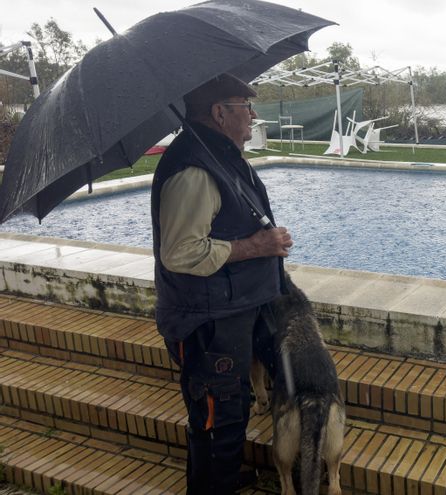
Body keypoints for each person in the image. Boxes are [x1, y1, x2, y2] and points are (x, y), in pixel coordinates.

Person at [149, 73, 293, 494]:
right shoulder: (194, 170)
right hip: (206, 321)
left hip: (226, 311)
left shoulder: (218, 155)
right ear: (219, 113)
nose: (253, 114)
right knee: (218, 417)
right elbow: (181, 252)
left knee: (224, 411)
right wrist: (257, 246)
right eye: (245, 106)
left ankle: (217, 479)